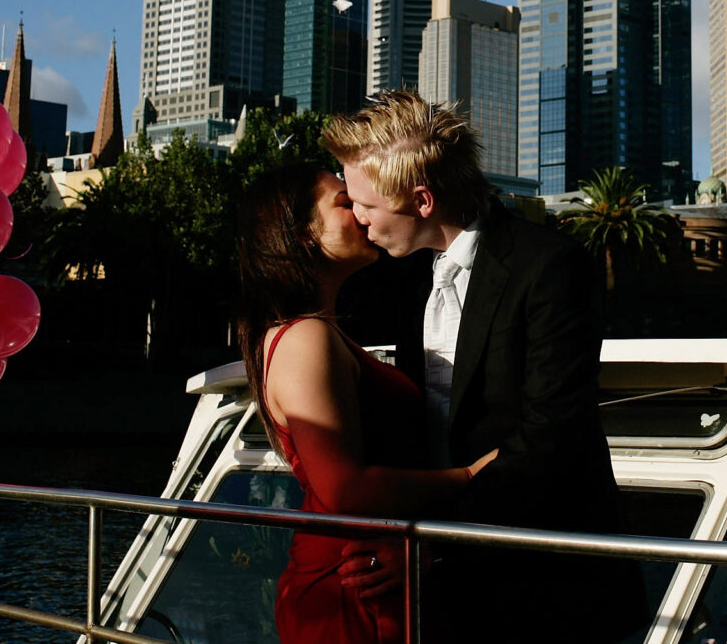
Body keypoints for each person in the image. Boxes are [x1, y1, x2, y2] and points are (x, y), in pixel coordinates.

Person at [323, 90, 649, 644]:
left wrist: (433, 549)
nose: (356, 219)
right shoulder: (399, 272)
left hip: (546, 586)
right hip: (441, 586)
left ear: (422, 201)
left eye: (366, 206)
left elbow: (552, 438)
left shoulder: (549, 265)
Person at [233, 162, 497, 644]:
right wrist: (468, 478)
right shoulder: (305, 337)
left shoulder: (317, 332)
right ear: (302, 234)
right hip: (350, 587)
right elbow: (343, 489)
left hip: (370, 572)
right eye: (342, 202)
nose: (360, 210)